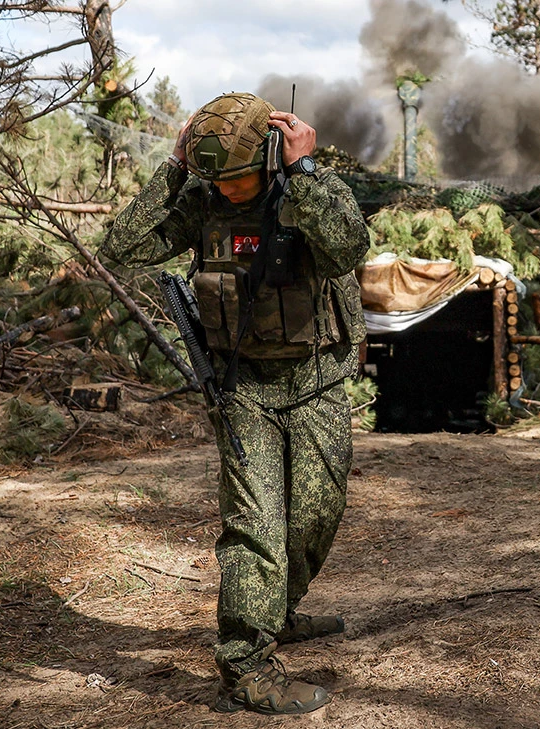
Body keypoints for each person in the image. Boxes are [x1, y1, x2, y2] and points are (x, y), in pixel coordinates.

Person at [100, 92, 369, 715]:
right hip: (243, 387)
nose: (233, 190)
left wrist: (304, 171)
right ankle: (246, 664)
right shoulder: (200, 198)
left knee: (317, 514)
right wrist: (173, 167)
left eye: (242, 176)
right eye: (219, 178)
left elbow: (348, 249)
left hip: (317, 380)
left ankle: (276, 607)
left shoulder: (306, 187)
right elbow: (121, 249)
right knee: (257, 529)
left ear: (274, 151)